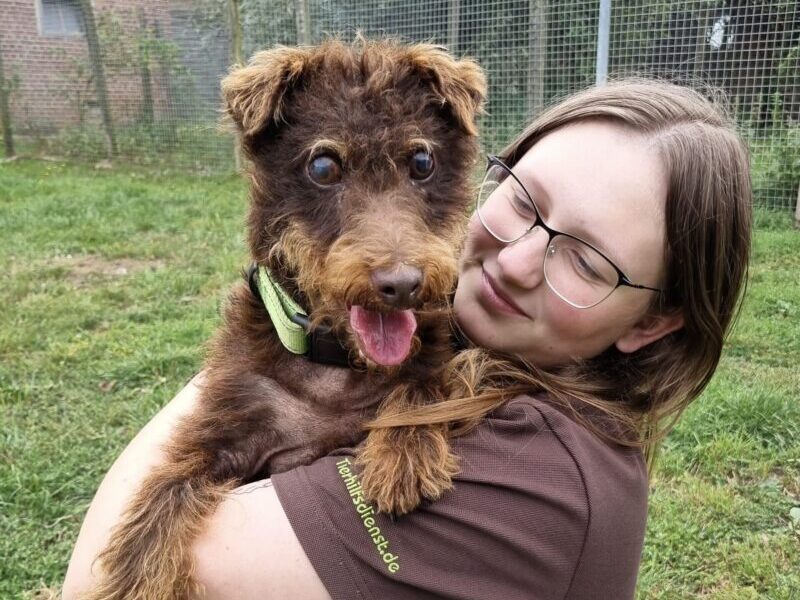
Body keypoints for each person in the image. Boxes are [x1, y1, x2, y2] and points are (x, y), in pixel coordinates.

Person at [62, 79, 752, 600]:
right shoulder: (457, 338)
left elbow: (99, 577)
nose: (512, 262)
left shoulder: (544, 482)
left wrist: (268, 340)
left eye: (585, 259)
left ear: (651, 322)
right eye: (522, 198)